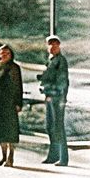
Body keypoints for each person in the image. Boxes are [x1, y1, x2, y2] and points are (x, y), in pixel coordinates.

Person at [38, 34, 69, 166]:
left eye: (55, 44)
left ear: (59, 46)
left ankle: (63, 158)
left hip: (57, 98)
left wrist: (50, 91)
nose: (52, 46)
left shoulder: (60, 61)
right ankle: (53, 156)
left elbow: (62, 82)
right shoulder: (51, 60)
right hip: (51, 98)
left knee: (58, 127)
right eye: (50, 44)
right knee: (50, 127)